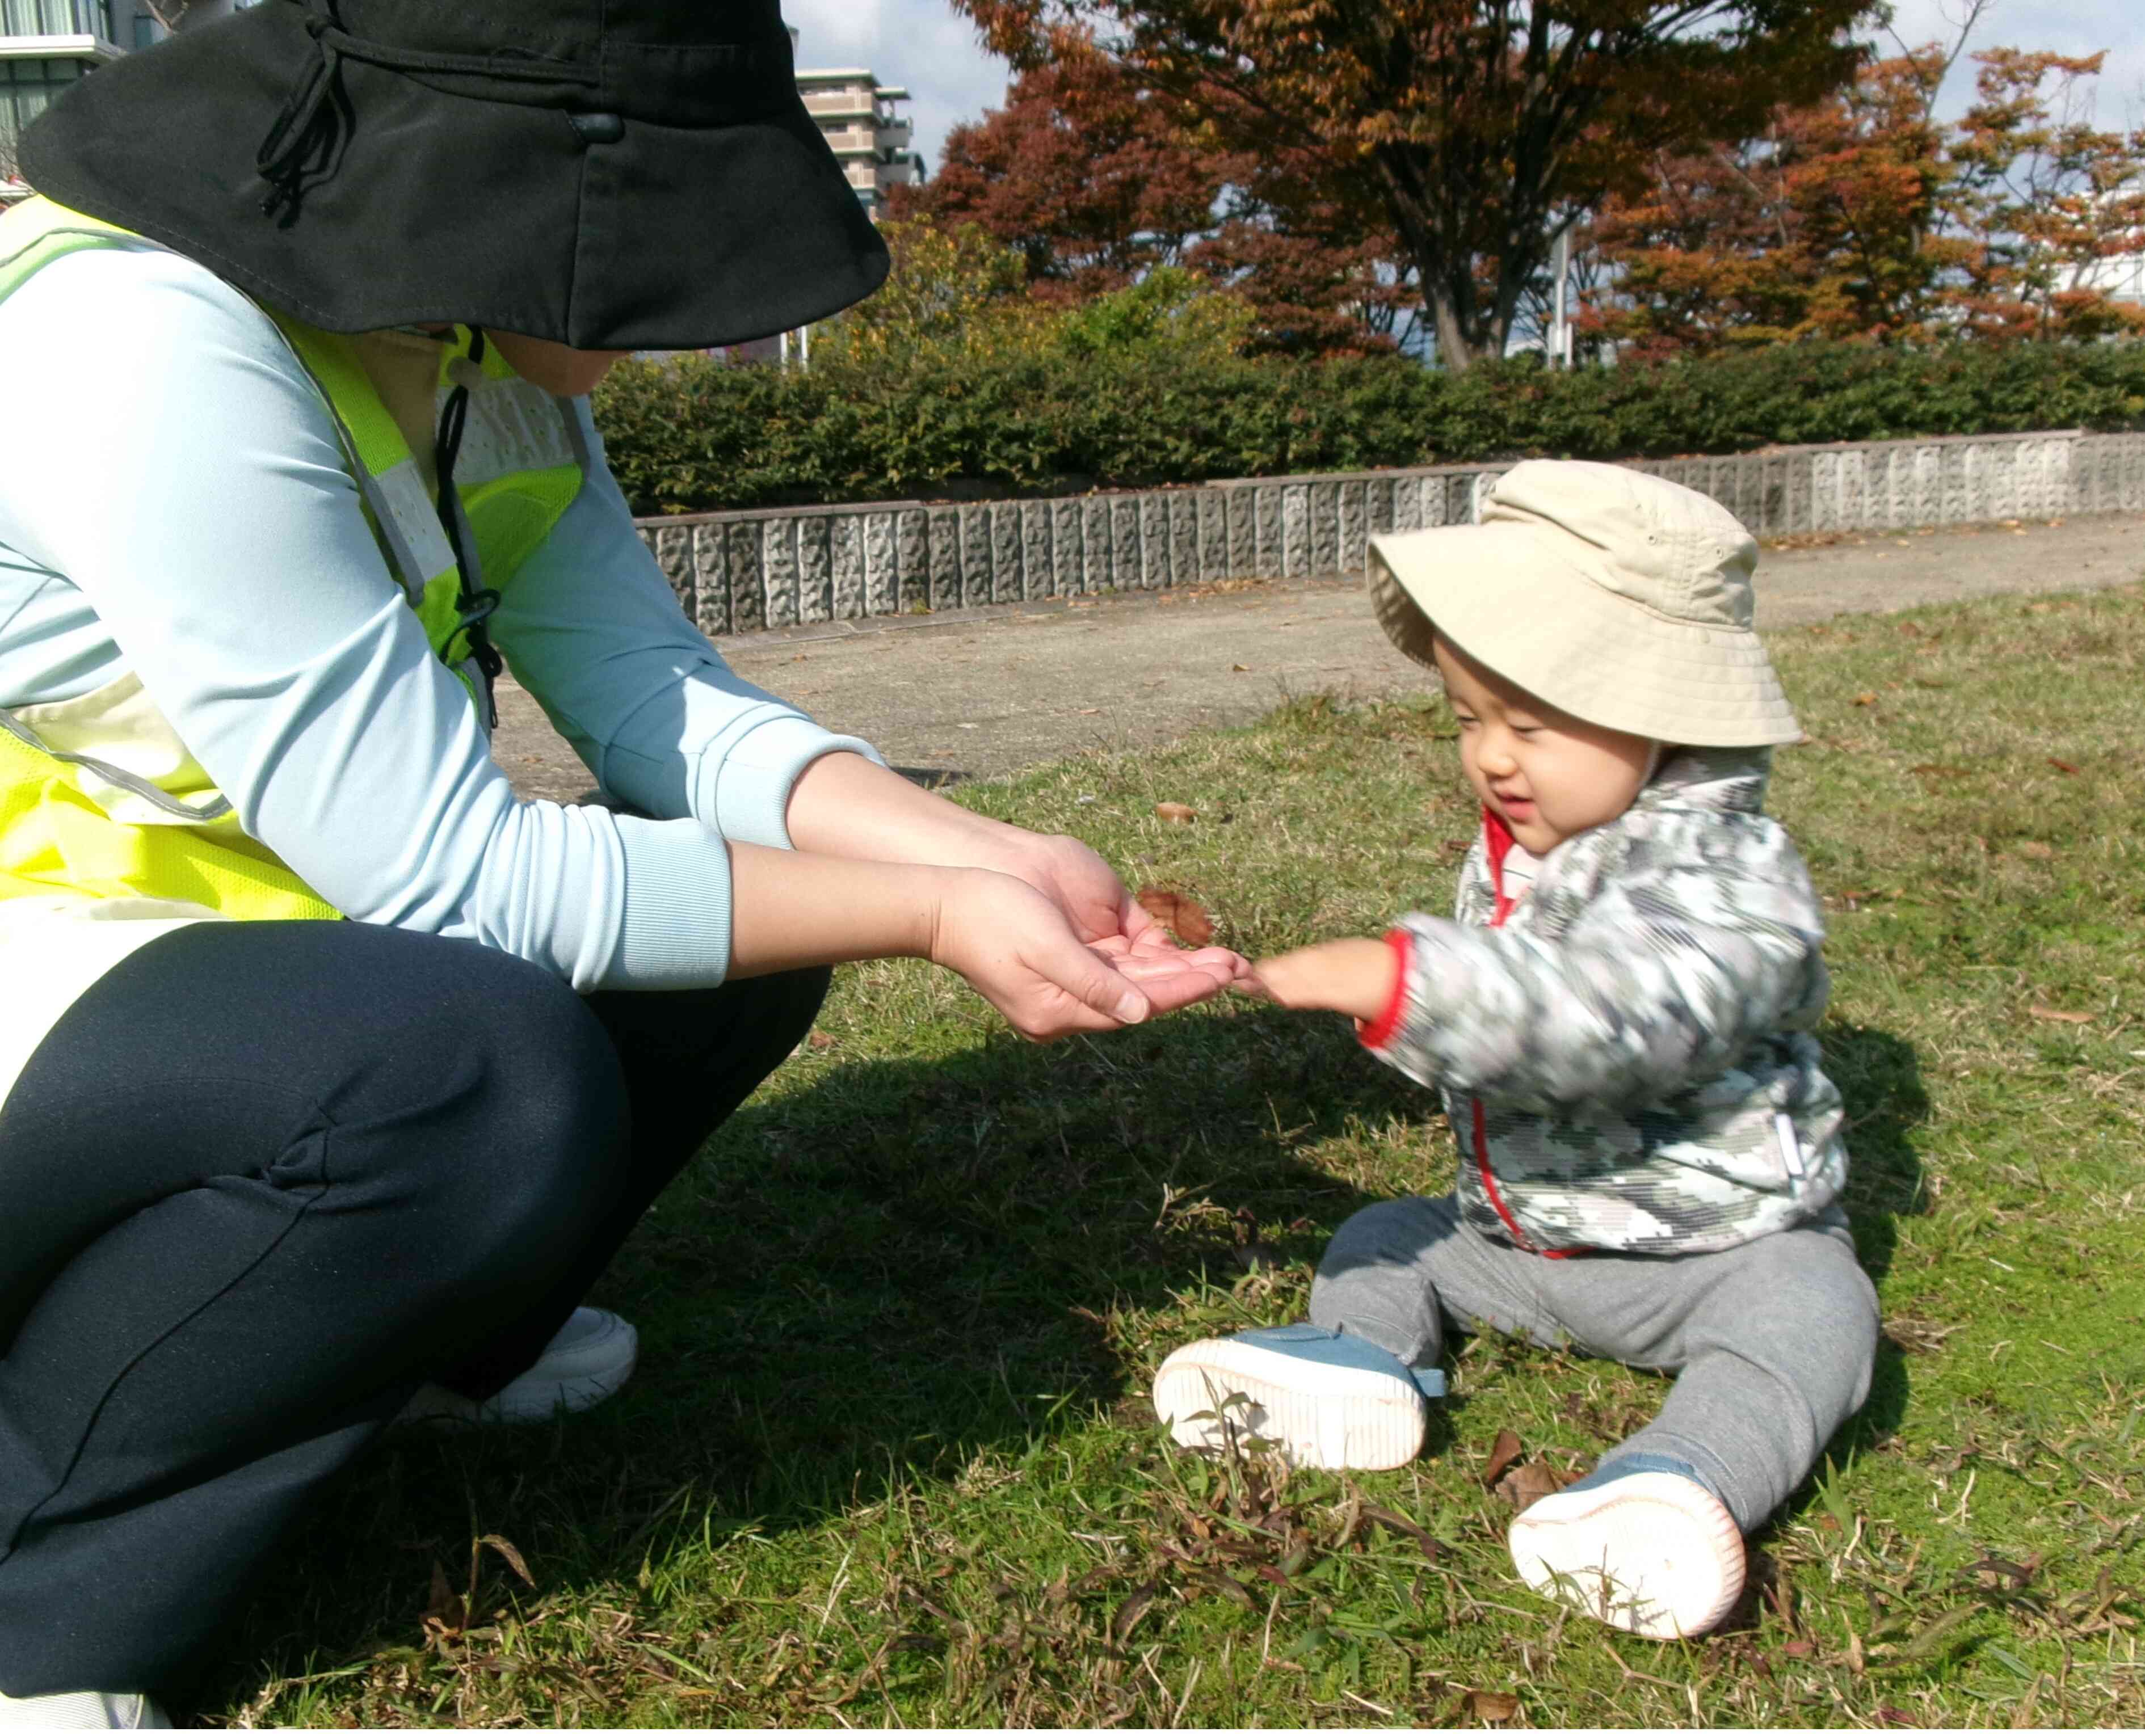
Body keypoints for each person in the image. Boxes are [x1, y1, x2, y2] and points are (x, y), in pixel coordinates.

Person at [0, 2, 1244, 1723]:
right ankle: (38, 1609)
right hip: (46, 965)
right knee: (465, 1068)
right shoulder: (151, 342)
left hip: (214, 965)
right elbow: (455, 879)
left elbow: (671, 710)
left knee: (718, 929)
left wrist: (994, 852)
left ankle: (436, 1350)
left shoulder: (467, 356)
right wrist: (930, 913)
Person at [1153, 461, 1879, 1641]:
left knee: (1819, 1308)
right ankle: (1356, 1360)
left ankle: (1677, 1483)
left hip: (1714, 1259)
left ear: (1668, 712)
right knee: (1388, 1235)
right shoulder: (1524, 853)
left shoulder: (1734, 875)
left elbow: (1618, 1019)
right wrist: (1321, 992)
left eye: (1530, 723)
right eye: (1467, 719)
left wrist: (1399, 979)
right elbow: (1494, 1035)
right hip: (1522, 1244)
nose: (1492, 756)